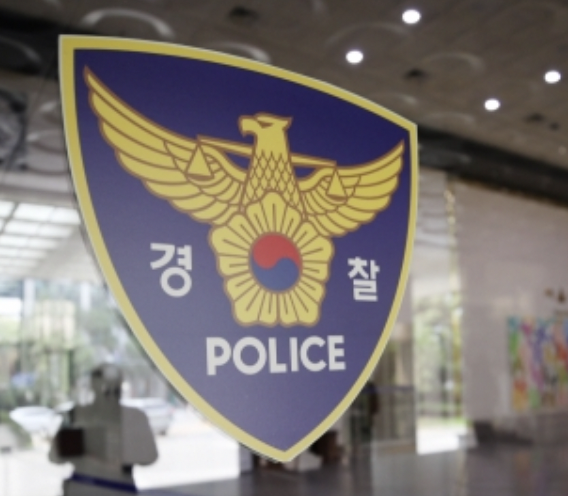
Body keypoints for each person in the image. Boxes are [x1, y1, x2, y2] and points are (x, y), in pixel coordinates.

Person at [49, 364, 158, 495]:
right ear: (93, 386)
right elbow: (55, 457)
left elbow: (150, 456)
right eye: (105, 387)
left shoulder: (134, 417)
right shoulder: (76, 416)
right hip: (85, 487)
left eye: (114, 388)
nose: (109, 392)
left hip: (119, 488)